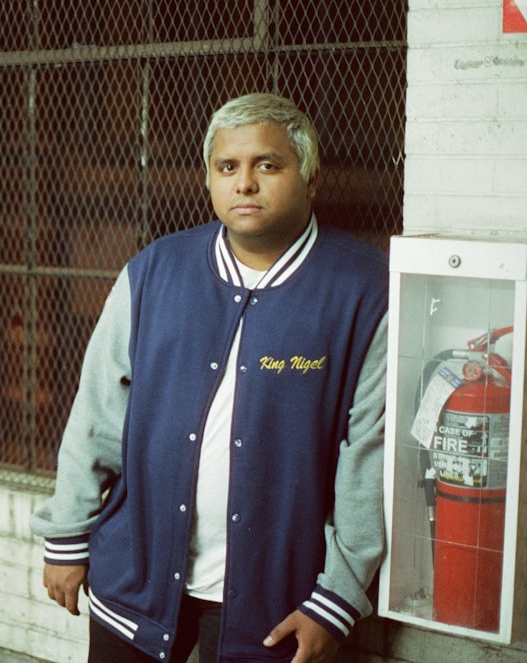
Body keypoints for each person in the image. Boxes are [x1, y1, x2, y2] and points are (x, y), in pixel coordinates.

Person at [30, 93, 388, 663]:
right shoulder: (153, 272)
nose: (244, 183)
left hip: (279, 604)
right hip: (137, 580)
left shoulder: (365, 291)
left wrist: (337, 595)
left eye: (268, 165)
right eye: (228, 167)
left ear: (311, 179)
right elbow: (96, 413)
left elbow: (369, 455)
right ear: (209, 180)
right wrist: (67, 535)